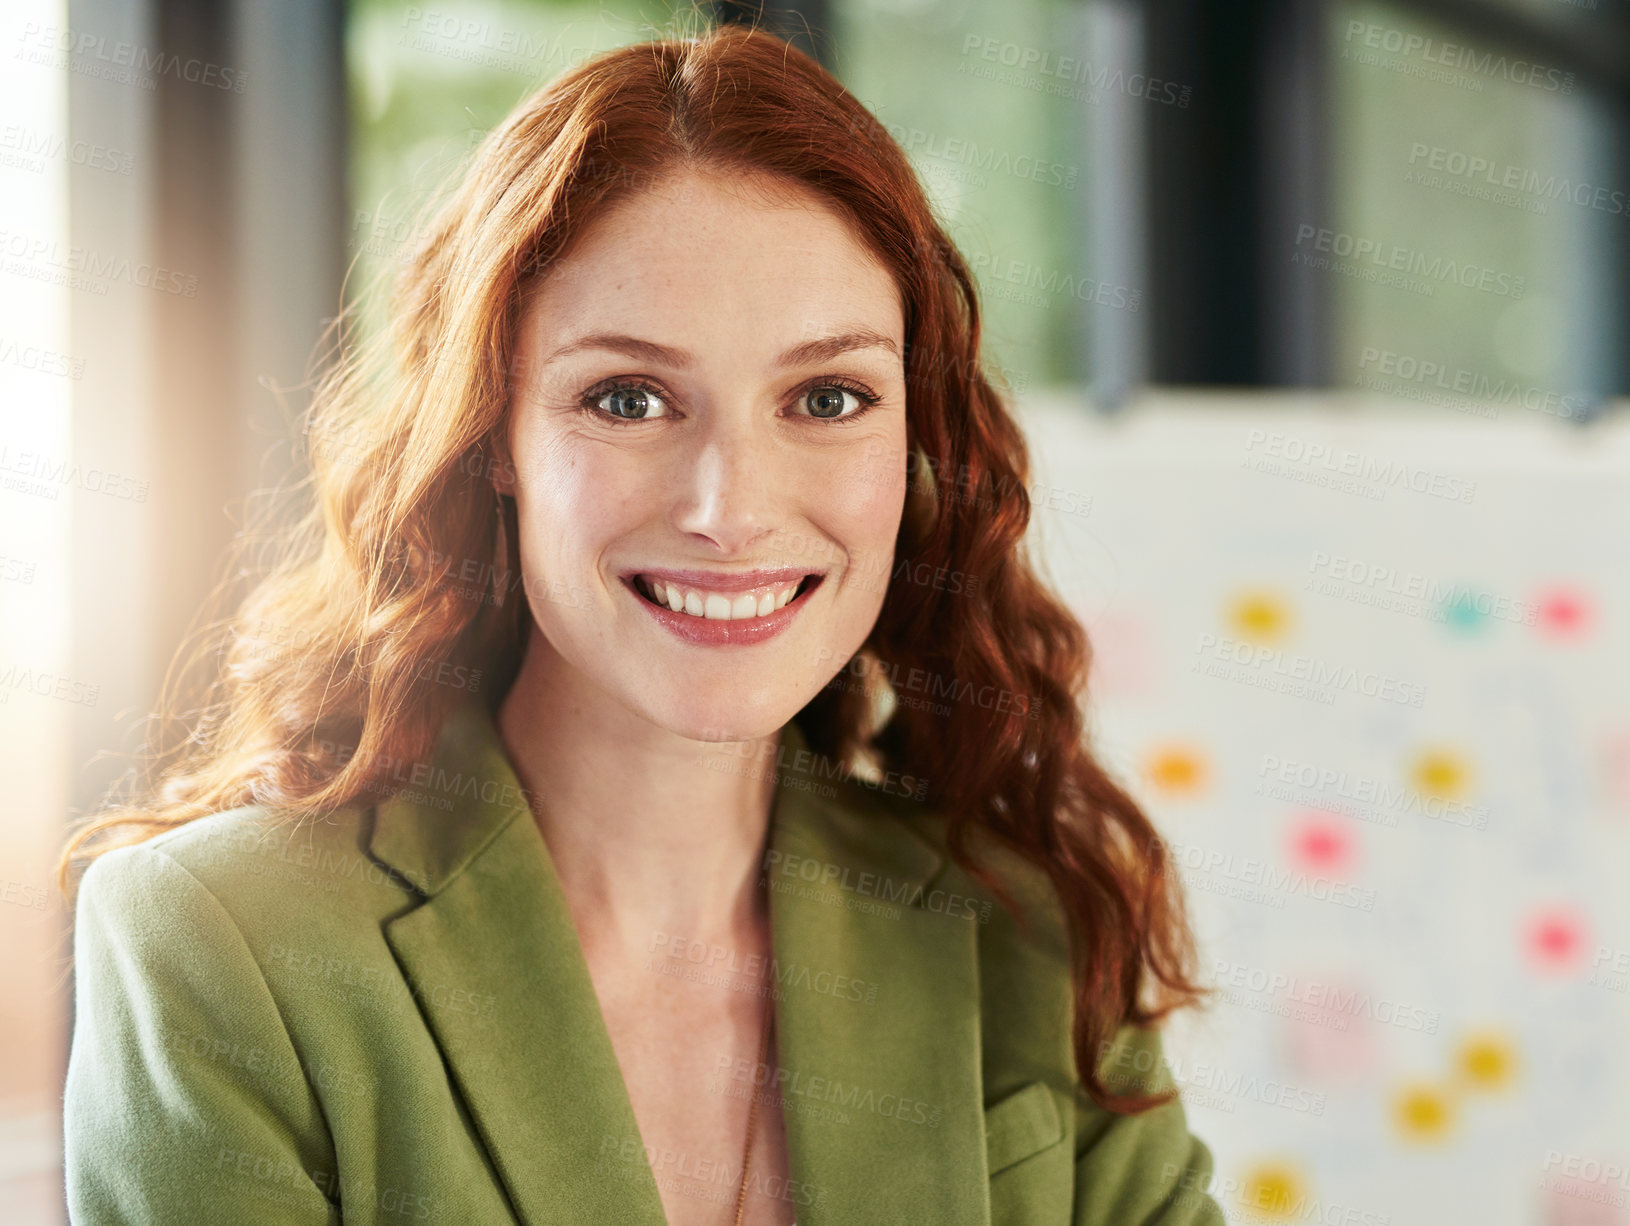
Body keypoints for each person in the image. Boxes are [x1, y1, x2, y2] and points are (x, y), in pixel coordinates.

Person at [58, 21, 1226, 1226]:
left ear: (914, 442)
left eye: (828, 397)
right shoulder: (224, 946)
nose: (730, 509)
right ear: (492, 435)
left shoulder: (1030, 941)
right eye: (627, 397)